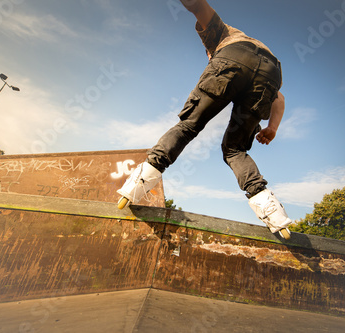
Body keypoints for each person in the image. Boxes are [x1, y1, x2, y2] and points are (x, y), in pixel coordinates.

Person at [117, 0, 294, 239]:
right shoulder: (255, 46)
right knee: (235, 149)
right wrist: (272, 127)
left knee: (188, 125)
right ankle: (272, 211)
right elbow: (279, 97)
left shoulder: (222, 35)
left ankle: (137, 184)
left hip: (233, 54)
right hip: (272, 71)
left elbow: (200, 7)